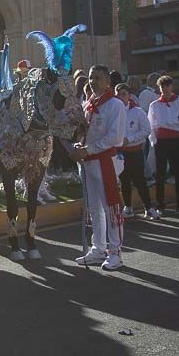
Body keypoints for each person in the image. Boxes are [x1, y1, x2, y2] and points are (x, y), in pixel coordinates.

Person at [70, 66, 127, 269]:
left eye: (98, 78)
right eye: (91, 77)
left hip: (105, 163)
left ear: (107, 82)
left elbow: (115, 137)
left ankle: (115, 252)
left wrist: (89, 149)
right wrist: (79, 146)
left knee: (111, 208)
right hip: (88, 164)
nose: (93, 81)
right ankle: (98, 248)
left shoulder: (115, 105)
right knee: (94, 209)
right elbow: (83, 132)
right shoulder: (88, 105)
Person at [147, 75, 179, 216]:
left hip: (177, 141)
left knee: (178, 174)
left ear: (172, 87)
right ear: (159, 88)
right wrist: (154, 141)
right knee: (160, 175)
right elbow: (151, 126)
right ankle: (160, 205)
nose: (165, 89)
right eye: (162, 87)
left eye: (167, 86)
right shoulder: (154, 105)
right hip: (161, 142)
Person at [115, 83, 154, 219]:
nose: (121, 97)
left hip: (135, 151)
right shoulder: (114, 113)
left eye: (124, 94)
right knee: (124, 181)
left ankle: (148, 208)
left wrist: (129, 139)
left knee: (140, 181)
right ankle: (128, 207)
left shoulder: (137, 111)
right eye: (118, 94)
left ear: (129, 96)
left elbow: (146, 130)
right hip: (120, 153)